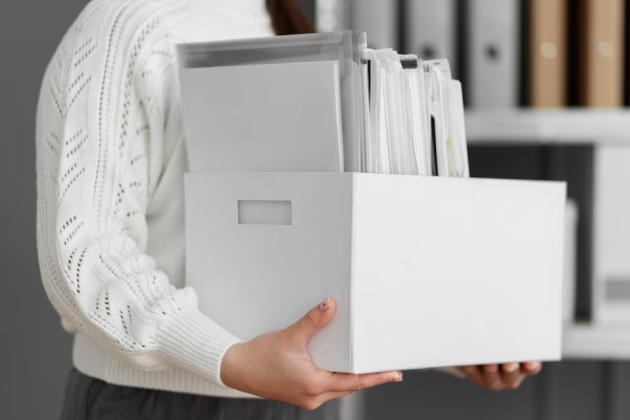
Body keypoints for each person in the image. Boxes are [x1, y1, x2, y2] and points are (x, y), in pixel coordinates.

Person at [35, 0, 542, 419]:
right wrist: (229, 359)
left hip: (293, 402)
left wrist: (453, 345)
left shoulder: (283, 23)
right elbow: (83, 254)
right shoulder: (127, 22)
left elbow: (320, 257)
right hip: (155, 403)